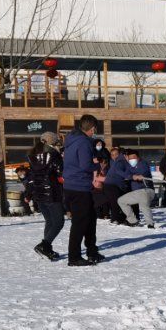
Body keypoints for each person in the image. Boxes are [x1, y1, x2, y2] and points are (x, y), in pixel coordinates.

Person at [61, 114, 104, 266]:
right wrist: (98, 165)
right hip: (79, 187)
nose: (94, 132)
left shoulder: (71, 141)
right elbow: (85, 166)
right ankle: (74, 257)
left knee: (90, 218)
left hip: (71, 186)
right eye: (94, 129)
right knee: (80, 223)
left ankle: (91, 250)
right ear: (92, 128)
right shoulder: (84, 142)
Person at [29, 134, 64, 261]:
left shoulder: (33, 155)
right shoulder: (54, 155)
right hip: (52, 192)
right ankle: (44, 246)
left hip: (39, 193)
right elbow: (61, 174)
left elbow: (32, 175)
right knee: (59, 222)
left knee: (49, 221)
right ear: (53, 142)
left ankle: (47, 248)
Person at [116, 149, 155, 228]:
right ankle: (133, 221)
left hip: (146, 190)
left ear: (138, 158)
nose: (132, 160)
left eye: (133, 158)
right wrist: (132, 176)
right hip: (136, 192)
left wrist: (139, 175)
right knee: (121, 201)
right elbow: (122, 172)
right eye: (130, 159)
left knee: (143, 204)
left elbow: (144, 171)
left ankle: (150, 224)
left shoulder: (143, 163)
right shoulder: (129, 167)